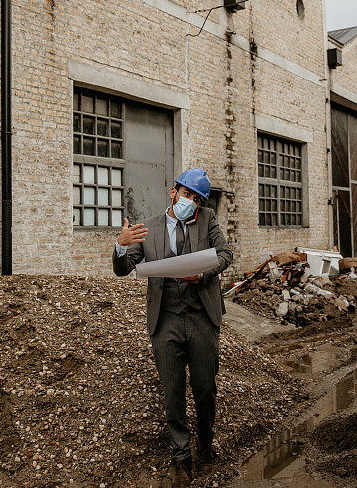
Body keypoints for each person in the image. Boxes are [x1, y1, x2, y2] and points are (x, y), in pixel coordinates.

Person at [112, 168, 232, 487]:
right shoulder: (148, 228)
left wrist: (204, 271)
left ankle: (206, 441)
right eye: (187, 194)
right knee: (173, 390)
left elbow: (225, 254)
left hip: (202, 317)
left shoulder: (207, 220)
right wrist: (121, 247)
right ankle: (181, 456)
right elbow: (124, 269)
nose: (190, 202)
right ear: (173, 191)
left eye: (197, 198)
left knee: (205, 388)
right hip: (165, 319)